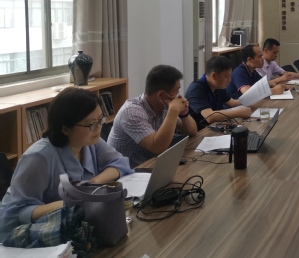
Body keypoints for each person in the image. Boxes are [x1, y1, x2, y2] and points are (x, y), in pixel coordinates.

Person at [0, 88, 133, 241]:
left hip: (72, 227)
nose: (98, 127)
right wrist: (71, 203)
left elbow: (120, 163)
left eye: (100, 120)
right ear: (65, 128)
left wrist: (92, 185)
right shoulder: (38, 157)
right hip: (25, 237)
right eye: (91, 124)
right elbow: (16, 213)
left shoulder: (90, 142)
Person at [108, 65, 197, 167]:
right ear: (161, 95)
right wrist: (173, 111)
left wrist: (183, 113)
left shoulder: (164, 105)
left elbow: (192, 131)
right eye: (177, 90)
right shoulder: (132, 112)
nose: (178, 95)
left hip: (152, 165)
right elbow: (157, 147)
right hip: (128, 170)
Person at [185, 56, 254, 129]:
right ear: (214, 76)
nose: (229, 80)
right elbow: (209, 116)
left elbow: (232, 103)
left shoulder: (218, 86)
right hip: (199, 132)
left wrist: (252, 99)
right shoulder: (196, 90)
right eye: (226, 76)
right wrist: (239, 112)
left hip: (214, 127)